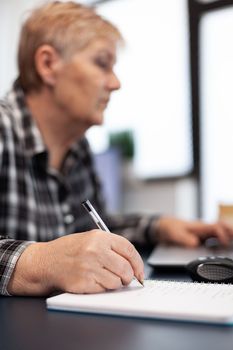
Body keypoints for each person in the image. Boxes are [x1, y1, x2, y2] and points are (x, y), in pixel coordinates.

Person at [0, 1, 233, 297]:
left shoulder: (78, 148)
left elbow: (98, 226)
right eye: (101, 63)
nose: (116, 83)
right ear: (48, 64)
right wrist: (41, 262)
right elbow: (58, 258)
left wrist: (160, 227)